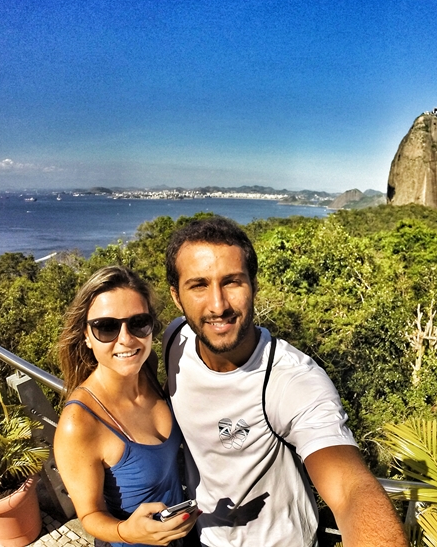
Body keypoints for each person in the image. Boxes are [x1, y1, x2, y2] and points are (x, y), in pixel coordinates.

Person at [163, 216, 408, 547]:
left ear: (254, 286)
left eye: (232, 282)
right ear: (177, 297)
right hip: (202, 537)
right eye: (199, 285)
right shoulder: (174, 339)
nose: (218, 305)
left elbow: (351, 489)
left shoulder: (290, 379)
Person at [54, 266, 199, 547]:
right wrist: (128, 532)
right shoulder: (79, 423)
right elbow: (89, 514)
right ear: (85, 335)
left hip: (183, 535)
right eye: (106, 327)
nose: (126, 338)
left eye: (138, 323)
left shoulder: (147, 370)